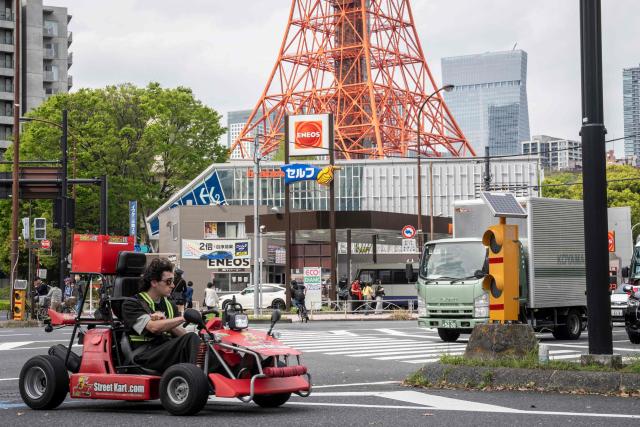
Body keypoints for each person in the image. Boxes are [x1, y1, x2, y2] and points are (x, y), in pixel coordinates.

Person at [121, 258, 201, 373]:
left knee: (205, 346)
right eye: (168, 281)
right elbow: (153, 327)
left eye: (173, 281)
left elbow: (183, 334)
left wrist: (167, 321)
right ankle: (197, 378)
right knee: (191, 339)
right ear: (154, 282)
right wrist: (184, 317)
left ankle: (226, 379)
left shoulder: (170, 305)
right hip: (144, 354)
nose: (172, 285)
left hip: (164, 350)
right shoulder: (131, 304)